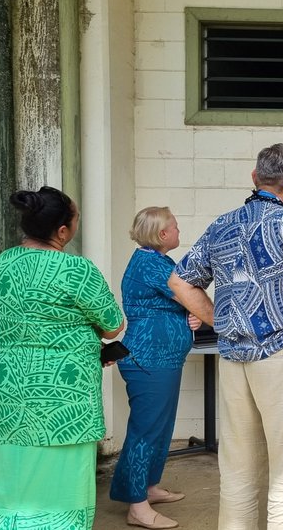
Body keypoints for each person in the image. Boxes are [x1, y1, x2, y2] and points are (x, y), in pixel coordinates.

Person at [168, 142, 283, 530]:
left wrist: (222, 320)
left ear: (254, 177)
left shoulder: (222, 225)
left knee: (238, 469)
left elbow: (179, 281)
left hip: (233, 357)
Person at [0, 186, 125, 529]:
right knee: (62, 495)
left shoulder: (3, 264)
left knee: (12, 490)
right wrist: (86, 334)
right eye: (76, 221)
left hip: (10, 390)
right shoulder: (77, 270)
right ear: (62, 231)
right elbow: (112, 326)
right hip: (64, 397)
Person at [109, 207, 202, 529]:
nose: (178, 231)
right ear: (163, 234)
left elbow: (180, 301)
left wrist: (188, 315)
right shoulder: (150, 264)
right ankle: (137, 507)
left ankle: (147, 487)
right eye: (175, 226)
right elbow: (189, 293)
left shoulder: (157, 261)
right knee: (146, 432)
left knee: (159, 429)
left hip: (162, 359)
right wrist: (195, 310)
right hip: (149, 360)